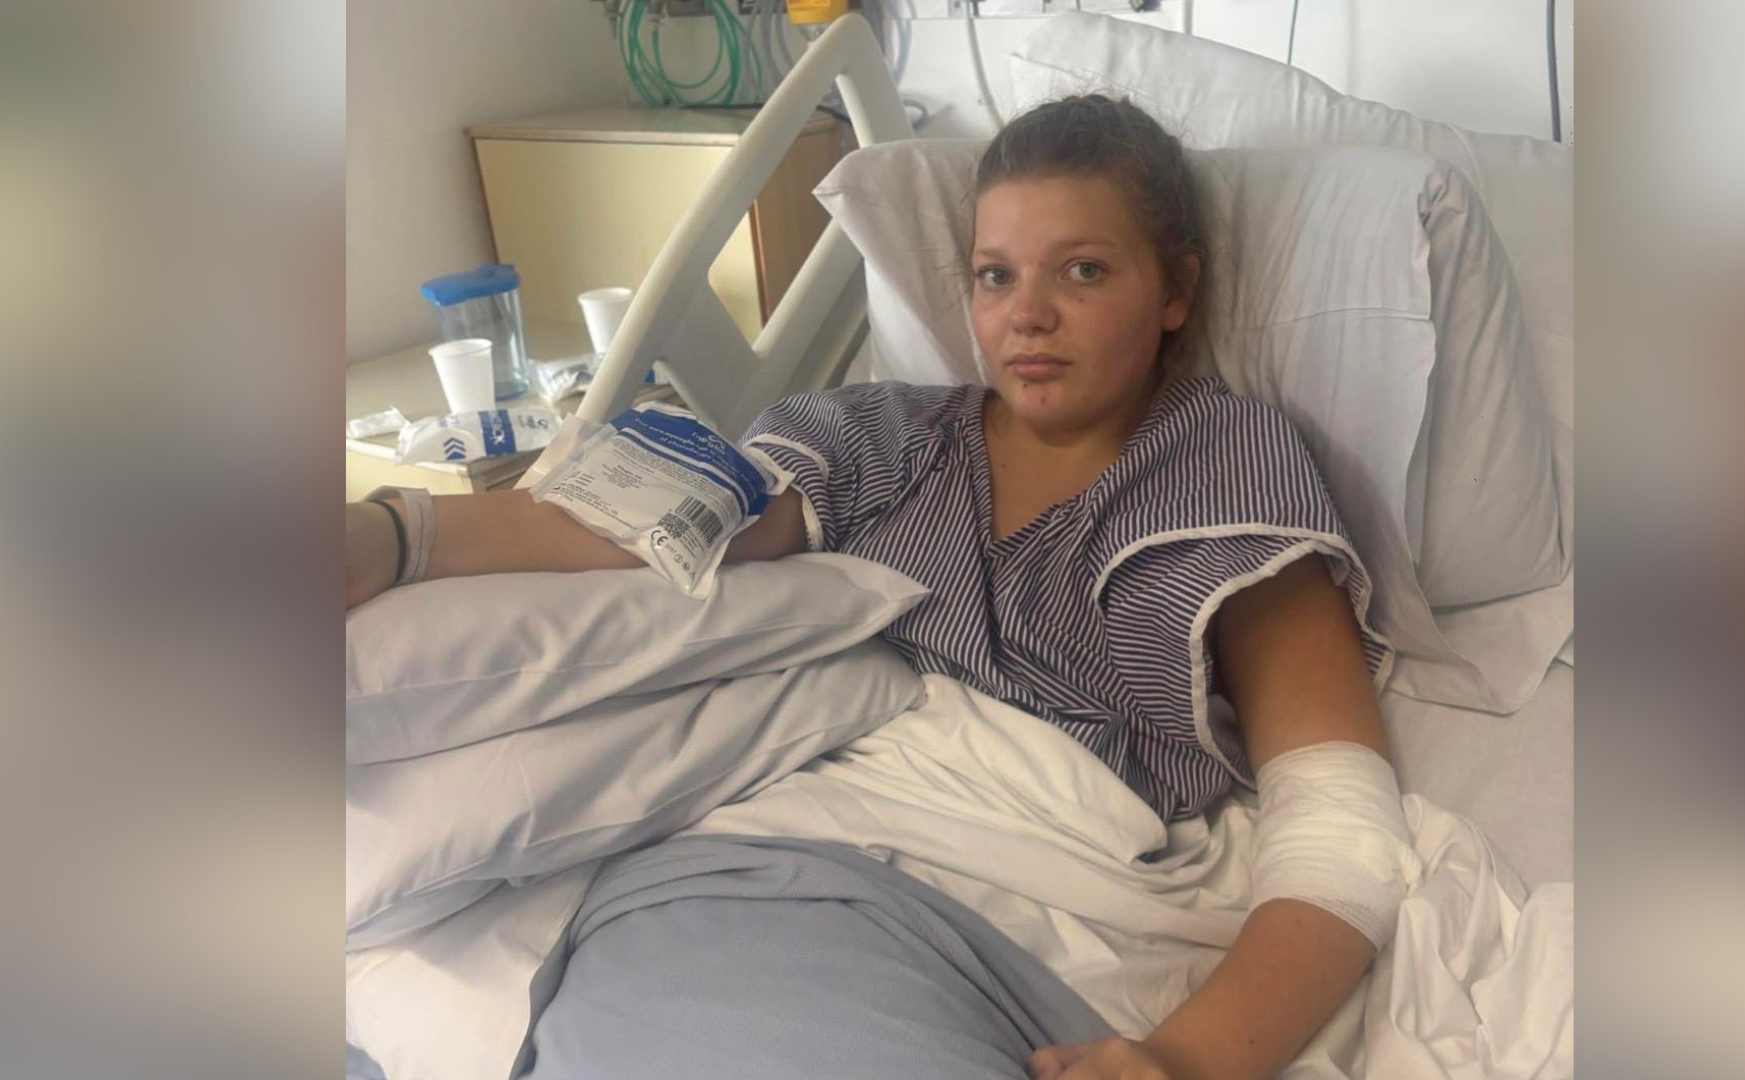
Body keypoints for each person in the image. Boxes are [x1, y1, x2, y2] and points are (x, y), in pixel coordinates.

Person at [347, 95, 1401, 1080]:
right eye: (996, 276)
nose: (1027, 316)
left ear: (1175, 290)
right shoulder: (888, 439)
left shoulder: (1224, 474)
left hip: (1023, 912)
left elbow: (1341, 827)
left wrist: (1184, 1062)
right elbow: (651, 524)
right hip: (750, 861)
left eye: (1081, 272)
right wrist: (398, 533)